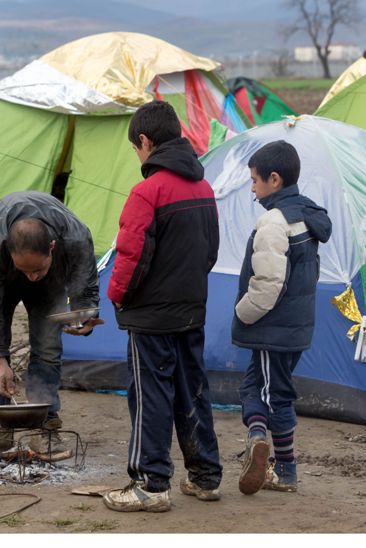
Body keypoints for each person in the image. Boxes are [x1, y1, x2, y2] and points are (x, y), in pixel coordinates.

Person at [103, 101, 222, 513]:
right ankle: (205, 476)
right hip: (191, 309)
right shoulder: (204, 188)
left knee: (150, 395)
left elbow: (130, 257)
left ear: (145, 141)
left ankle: (150, 484)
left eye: (136, 149)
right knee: (193, 389)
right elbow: (211, 251)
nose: (138, 156)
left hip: (151, 317)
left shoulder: (146, 191)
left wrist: (117, 295)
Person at [0, 191, 102, 458]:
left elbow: (85, 280)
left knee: (47, 348)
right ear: (8, 251)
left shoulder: (74, 237)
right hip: (0, 283)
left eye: (37, 269)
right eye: (25, 271)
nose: (32, 277)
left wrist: (85, 314)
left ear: (51, 246)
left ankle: (45, 425)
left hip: (54, 283)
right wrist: (0, 360)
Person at [233, 140, 331, 495]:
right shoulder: (306, 214)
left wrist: (242, 313)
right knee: (259, 386)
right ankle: (262, 446)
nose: (252, 187)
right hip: (298, 324)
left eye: (255, 180)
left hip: (271, 326)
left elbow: (268, 283)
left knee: (273, 393)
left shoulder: (274, 223)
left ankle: (280, 462)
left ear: (274, 179)